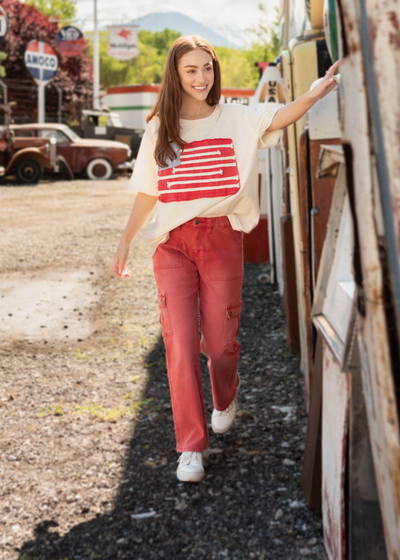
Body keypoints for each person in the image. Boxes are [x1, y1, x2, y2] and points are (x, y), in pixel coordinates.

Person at [112, 35, 339, 483]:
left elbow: (283, 113)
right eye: (191, 70)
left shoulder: (237, 117)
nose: (201, 77)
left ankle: (224, 396)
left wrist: (314, 93)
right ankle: (191, 447)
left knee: (219, 345)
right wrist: (125, 240)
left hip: (221, 240)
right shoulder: (160, 129)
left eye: (207, 69)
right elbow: (147, 191)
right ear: (176, 76)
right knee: (178, 347)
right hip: (173, 244)